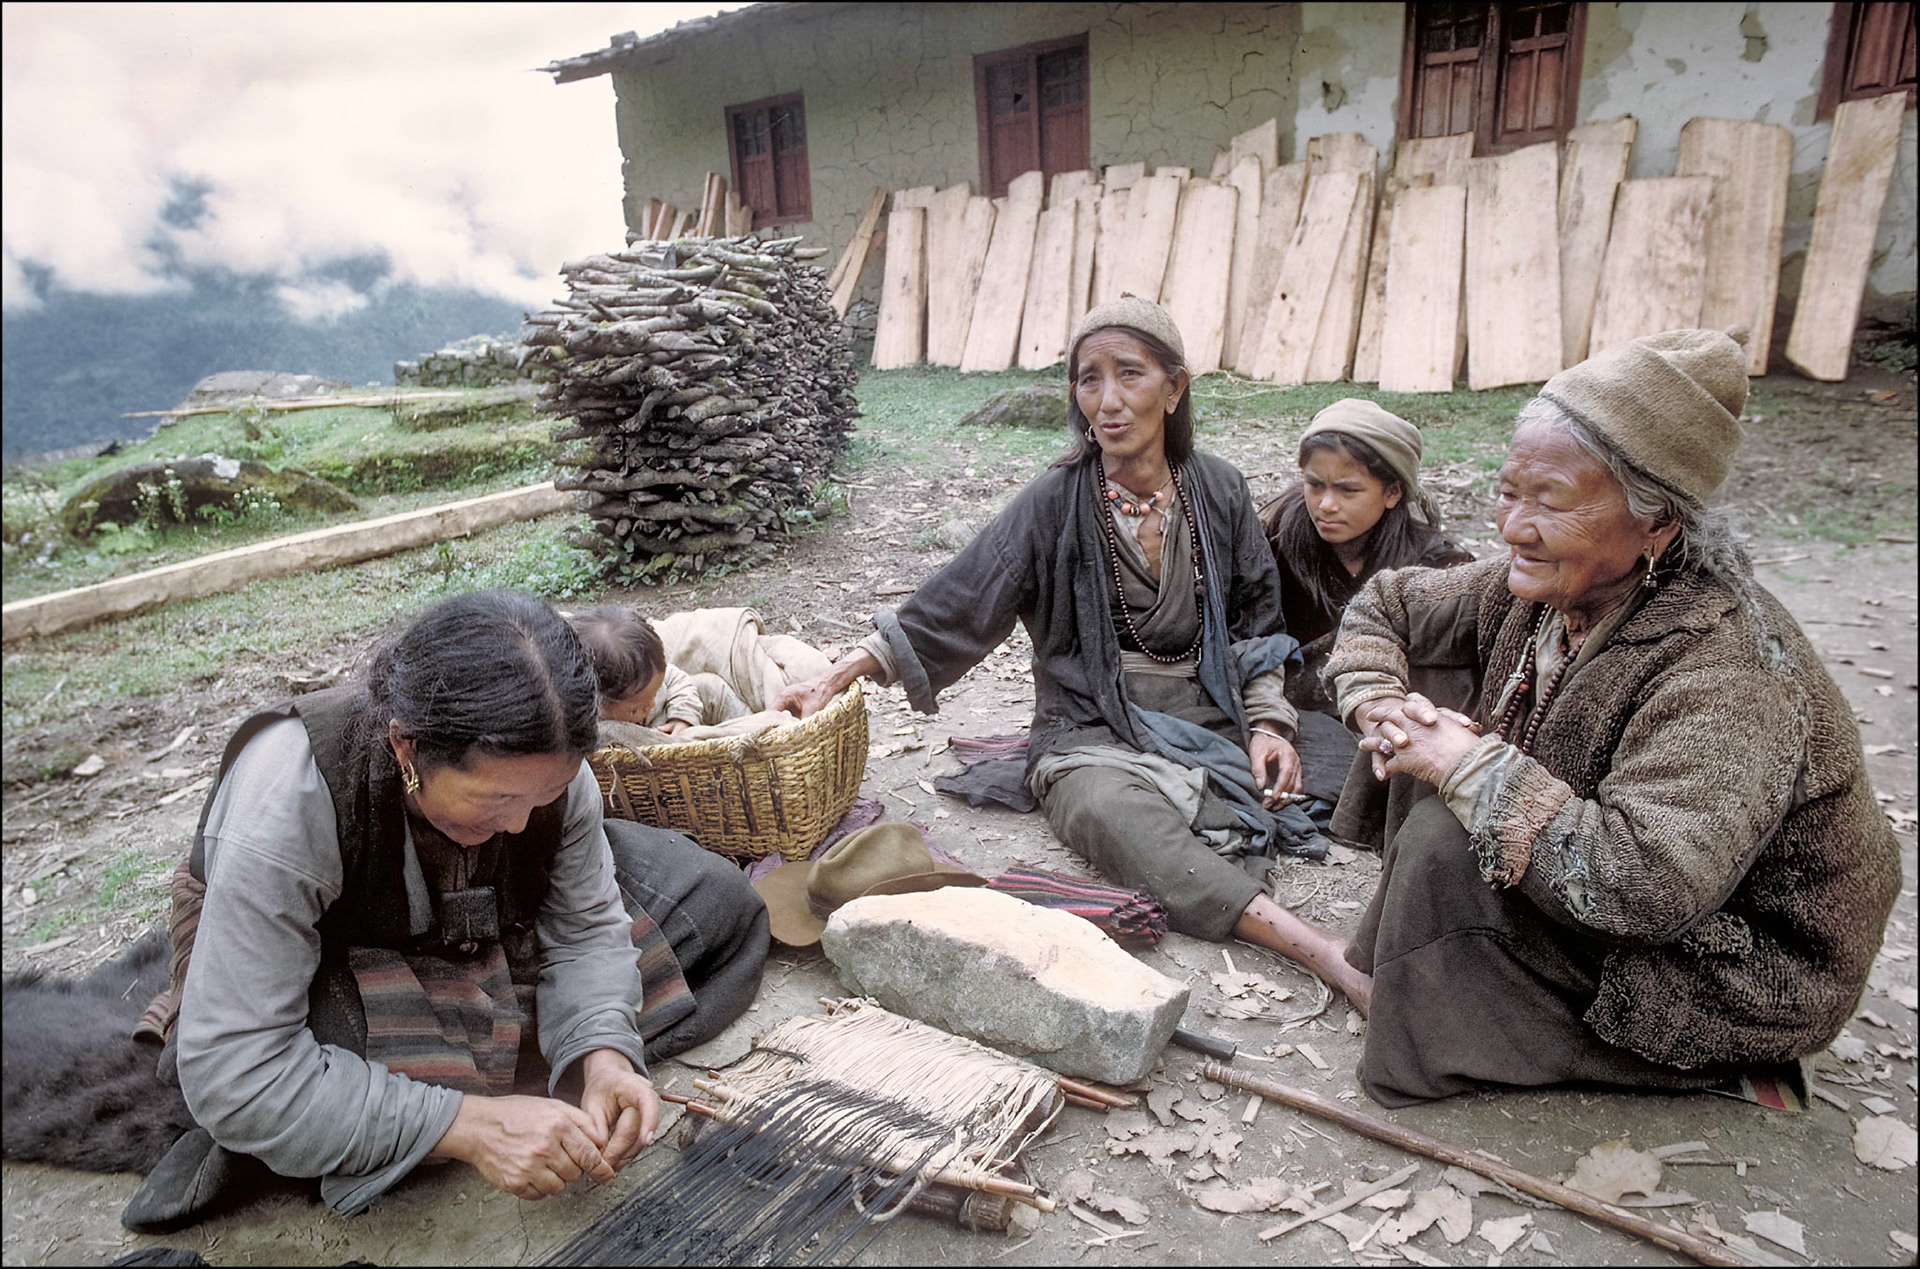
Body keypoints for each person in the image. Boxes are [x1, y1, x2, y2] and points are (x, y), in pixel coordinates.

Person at [1322, 329, 1900, 1106]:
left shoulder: (1728, 668)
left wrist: (1471, 768)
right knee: (1441, 763)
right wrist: (1376, 696)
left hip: (1734, 963)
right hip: (1626, 896)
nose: (1511, 526)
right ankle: (1434, 986)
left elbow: (1644, 887)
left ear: (1657, 521)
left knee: (1446, 829)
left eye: (1550, 500)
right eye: (1506, 490)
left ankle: (1536, 1033)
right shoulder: (1546, 580)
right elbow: (1389, 604)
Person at [775, 296, 1369, 1006]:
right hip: (1090, 732)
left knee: (1352, 760)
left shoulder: (1218, 489)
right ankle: (1317, 948)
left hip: (1212, 714)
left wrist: (1271, 724)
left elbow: (1255, 621)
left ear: (1174, 388)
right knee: (1110, 812)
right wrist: (842, 673)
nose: (1109, 401)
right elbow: (959, 595)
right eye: (1090, 379)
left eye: (1131, 375)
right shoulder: (1055, 502)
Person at [125, 590, 767, 1231]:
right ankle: (450, 1094)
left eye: (543, 795)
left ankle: (466, 1059)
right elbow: (236, 1071)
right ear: (407, 749)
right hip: (339, 947)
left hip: (490, 922)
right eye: (496, 801)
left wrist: (602, 1053)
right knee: (285, 1070)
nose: (518, 826)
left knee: (714, 902)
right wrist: (471, 1125)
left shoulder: (551, 780)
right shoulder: (288, 800)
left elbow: (586, 926)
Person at [1260, 399, 1472, 716]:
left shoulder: (1433, 567)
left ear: (1392, 493)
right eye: (1315, 485)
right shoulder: (1277, 541)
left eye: (1348, 490)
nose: (1326, 505)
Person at [570, 604, 750, 735]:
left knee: (709, 686)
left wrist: (682, 717)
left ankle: (759, 732)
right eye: (635, 709)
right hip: (649, 758)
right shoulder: (594, 723)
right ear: (595, 703)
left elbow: (677, 680)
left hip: (670, 723)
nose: (651, 705)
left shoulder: (645, 674)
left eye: (655, 693)